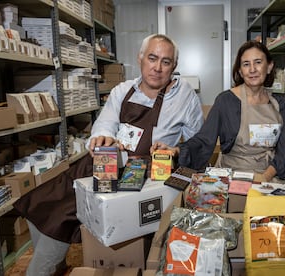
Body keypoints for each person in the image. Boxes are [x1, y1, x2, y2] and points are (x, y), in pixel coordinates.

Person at [13, 33, 204, 276]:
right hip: (103, 163)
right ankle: (58, 267)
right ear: (140, 58)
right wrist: (104, 138)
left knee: (60, 218)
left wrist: (176, 150)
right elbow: (103, 126)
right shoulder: (122, 91)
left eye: (165, 62)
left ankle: (40, 270)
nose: (157, 68)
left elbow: (199, 142)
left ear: (174, 66)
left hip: (142, 175)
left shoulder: (184, 97)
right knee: (38, 201)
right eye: (152, 58)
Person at [151, 40, 285, 183]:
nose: (252, 69)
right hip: (234, 176)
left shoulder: (278, 104)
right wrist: (176, 150)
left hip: (271, 174)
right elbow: (205, 140)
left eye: (258, 62)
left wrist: (265, 177)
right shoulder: (226, 101)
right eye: (246, 64)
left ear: (269, 67)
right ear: (240, 71)